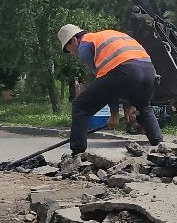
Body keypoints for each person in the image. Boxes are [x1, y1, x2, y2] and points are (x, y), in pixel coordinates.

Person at [59, 23, 164, 156]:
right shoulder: (106, 35)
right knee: (144, 107)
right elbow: (118, 80)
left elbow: (107, 82)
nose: (74, 54)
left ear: (74, 40)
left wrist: (114, 113)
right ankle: (161, 147)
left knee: (80, 106)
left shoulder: (85, 46)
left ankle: (77, 153)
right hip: (149, 71)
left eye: (70, 50)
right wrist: (132, 104)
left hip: (125, 69)